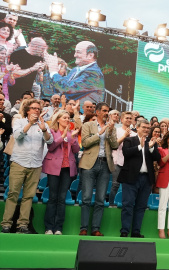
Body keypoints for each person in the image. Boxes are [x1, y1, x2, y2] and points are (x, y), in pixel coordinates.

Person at [1, 99, 52, 234]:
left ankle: (22, 225)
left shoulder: (43, 124)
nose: (37, 110)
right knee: (13, 194)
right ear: (27, 110)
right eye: (34, 108)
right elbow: (17, 136)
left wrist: (44, 129)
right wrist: (30, 123)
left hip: (35, 164)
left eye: (38, 109)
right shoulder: (19, 122)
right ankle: (6, 224)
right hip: (19, 162)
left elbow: (50, 141)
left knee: (29, 196)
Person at [78, 102, 118, 236]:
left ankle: (96, 228)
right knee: (86, 197)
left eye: (108, 111)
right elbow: (84, 143)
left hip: (105, 164)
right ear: (98, 112)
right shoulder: (88, 125)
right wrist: (99, 134)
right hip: (90, 162)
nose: (107, 113)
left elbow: (115, 145)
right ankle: (83, 228)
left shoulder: (111, 127)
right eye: (105, 111)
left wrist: (110, 131)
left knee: (100, 199)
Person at [119, 119, 160, 238]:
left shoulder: (151, 142)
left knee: (141, 206)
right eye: (144, 127)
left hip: (146, 178)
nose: (146, 130)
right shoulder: (129, 140)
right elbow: (126, 153)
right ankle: (125, 231)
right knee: (128, 204)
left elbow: (157, 157)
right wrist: (140, 146)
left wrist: (151, 148)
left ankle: (136, 231)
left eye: (148, 128)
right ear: (137, 127)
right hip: (131, 177)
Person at [42, 110, 80, 235]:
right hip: (53, 167)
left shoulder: (71, 133)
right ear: (58, 119)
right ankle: (48, 227)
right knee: (53, 197)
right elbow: (51, 146)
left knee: (62, 198)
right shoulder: (52, 131)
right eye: (64, 117)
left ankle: (58, 228)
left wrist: (73, 138)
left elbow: (76, 150)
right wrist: (63, 136)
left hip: (67, 167)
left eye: (68, 118)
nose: (67, 120)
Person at [10, 37, 47, 104]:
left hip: (27, 93)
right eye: (42, 49)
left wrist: (40, 72)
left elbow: (39, 80)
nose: (43, 51)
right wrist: (32, 68)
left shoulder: (39, 58)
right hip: (13, 91)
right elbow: (14, 75)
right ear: (35, 46)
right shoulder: (17, 55)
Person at [109, 111, 136, 203]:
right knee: (115, 185)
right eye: (126, 118)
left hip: (129, 163)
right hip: (117, 161)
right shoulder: (116, 130)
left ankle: (123, 203)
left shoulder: (135, 134)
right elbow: (114, 144)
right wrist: (125, 136)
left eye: (130, 118)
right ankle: (111, 204)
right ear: (121, 119)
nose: (128, 120)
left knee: (127, 186)